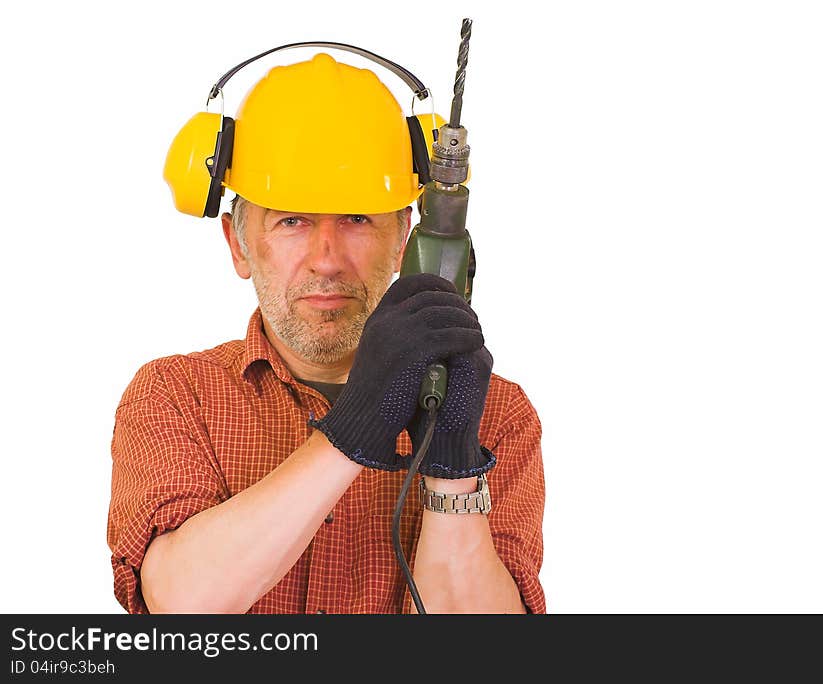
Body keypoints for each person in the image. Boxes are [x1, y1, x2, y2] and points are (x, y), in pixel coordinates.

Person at [107, 51, 545, 614]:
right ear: (238, 244)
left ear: (404, 239)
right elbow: (184, 604)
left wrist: (454, 469)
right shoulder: (175, 395)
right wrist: (355, 427)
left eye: (358, 219)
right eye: (292, 221)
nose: (327, 259)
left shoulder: (497, 415)